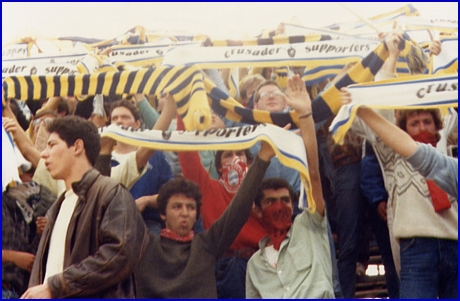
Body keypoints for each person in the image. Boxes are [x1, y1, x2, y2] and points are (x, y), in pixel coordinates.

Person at [340, 33, 457, 298]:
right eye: (413, 123)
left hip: (455, 244)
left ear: (438, 125)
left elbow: (447, 94)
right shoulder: (391, 152)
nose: (422, 127)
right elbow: (380, 109)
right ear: (401, 128)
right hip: (416, 249)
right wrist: (390, 56)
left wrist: (441, 60)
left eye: (427, 121)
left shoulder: (442, 147)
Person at [22, 116, 149, 298]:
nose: (43, 153)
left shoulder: (111, 193)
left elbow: (120, 254)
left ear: (78, 147)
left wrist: (56, 286)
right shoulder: (57, 208)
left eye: (52, 145)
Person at [134, 137, 275, 298]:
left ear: (197, 215)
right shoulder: (144, 245)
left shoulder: (207, 245)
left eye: (191, 207)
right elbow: (104, 206)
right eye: (177, 206)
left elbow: (238, 210)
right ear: (162, 213)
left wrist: (262, 159)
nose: (185, 212)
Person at [245, 75, 334, 298]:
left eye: (285, 201)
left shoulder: (309, 227)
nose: (279, 207)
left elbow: (313, 174)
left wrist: (304, 113)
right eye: (270, 202)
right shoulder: (255, 265)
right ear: (257, 209)